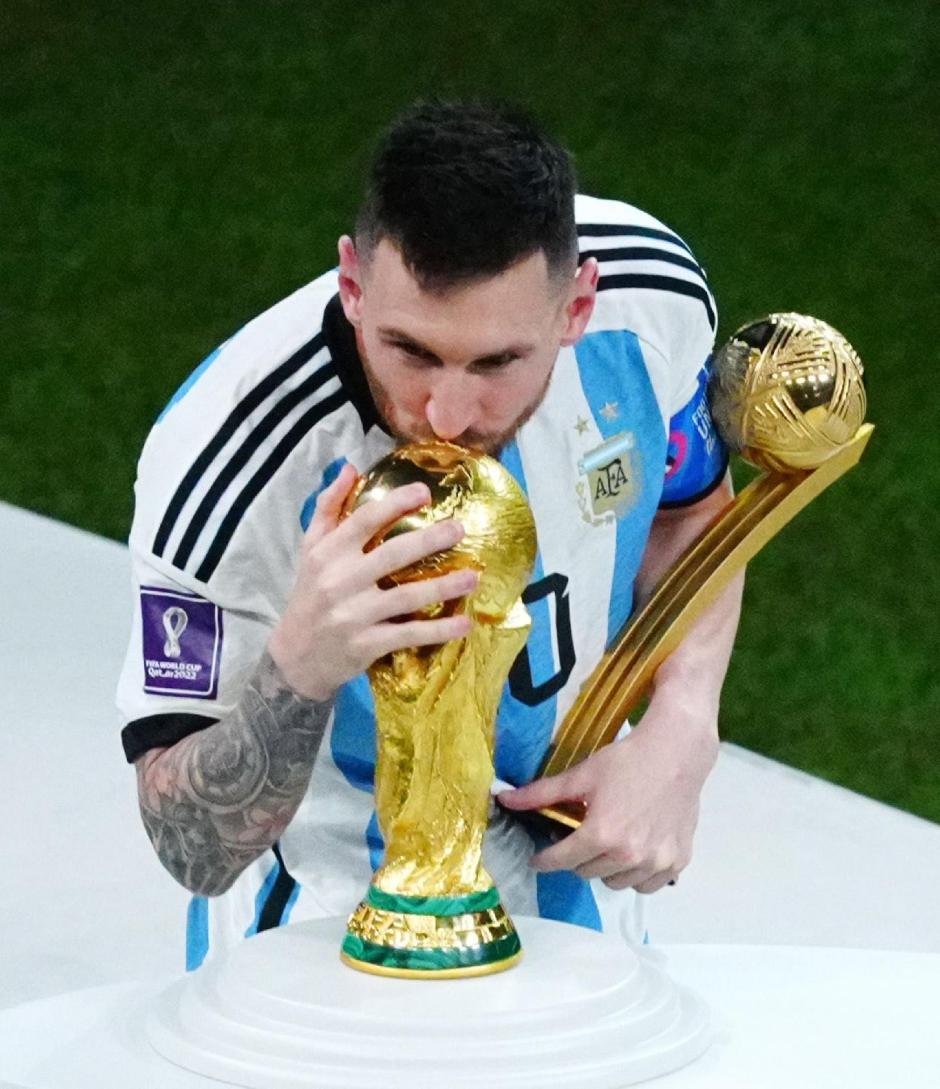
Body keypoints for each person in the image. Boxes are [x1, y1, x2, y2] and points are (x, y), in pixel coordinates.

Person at [117, 99, 742, 970]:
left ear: (578, 306)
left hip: (581, 913)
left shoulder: (653, 305)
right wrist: (302, 664)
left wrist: (682, 724)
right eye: (409, 351)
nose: (448, 413)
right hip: (318, 950)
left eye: (497, 363)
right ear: (352, 285)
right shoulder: (226, 461)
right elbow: (191, 847)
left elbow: (693, 514)